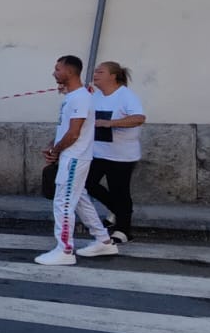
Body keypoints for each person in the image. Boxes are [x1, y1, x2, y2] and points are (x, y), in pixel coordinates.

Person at [36, 56, 114, 266]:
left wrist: (56, 150)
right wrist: (53, 146)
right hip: (71, 155)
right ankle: (103, 240)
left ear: (69, 72)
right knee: (79, 200)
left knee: (63, 202)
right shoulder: (73, 97)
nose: (54, 73)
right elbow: (65, 130)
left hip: (74, 157)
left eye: (57, 69)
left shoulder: (80, 98)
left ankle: (65, 250)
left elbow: (73, 134)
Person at [83, 61, 146, 250]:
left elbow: (139, 118)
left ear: (113, 76)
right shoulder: (95, 96)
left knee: (120, 191)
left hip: (121, 156)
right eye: (95, 71)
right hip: (97, 153)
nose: (95, 74)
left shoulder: (125, 95)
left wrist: (110, 123)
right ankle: (117, 211)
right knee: (87, 183)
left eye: (100, 72)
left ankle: (124, 231)